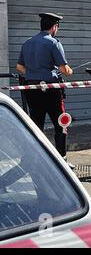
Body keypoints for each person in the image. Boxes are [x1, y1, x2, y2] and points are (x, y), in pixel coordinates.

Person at [16, 13, 74, 168]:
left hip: (32, 89)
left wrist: (33, 73)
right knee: (60, 123)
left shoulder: (27, 43)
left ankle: (33, 160)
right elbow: (64, 69)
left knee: (36, 124)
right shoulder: (54, 43)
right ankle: (62, 159)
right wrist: (69, 71)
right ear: (54, 27)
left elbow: (19, 67)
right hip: (51, 90)